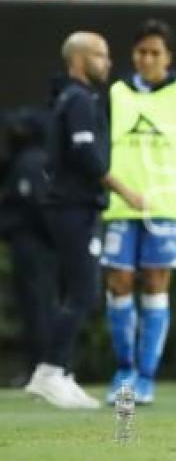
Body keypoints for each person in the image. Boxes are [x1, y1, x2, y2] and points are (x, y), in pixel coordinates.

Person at [100, 19, 176, 405]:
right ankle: (124, 369)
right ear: (133, 55)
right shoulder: (116, 92)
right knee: (118, 283)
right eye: (141, 52)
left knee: (155, 284)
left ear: (168, 57)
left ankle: (147, 377)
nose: (148, 59)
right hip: (120, 204)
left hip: (165, 206)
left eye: (155, 53)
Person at [24, 32, 143, 410]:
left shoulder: (79, 97)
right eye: (99, 55)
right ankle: (49, 371)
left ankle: (63, 372)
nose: (108, 62)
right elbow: (87, 156)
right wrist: (126, 192)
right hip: (73, 207)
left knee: (74, 292)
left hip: (75, 206)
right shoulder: (77, 99)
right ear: (77, 60)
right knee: (85, 291)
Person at [0, 107, 54, 384]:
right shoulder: (23, 160)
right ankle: (39, 367)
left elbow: (39, 208)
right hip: (30, 245)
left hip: (34, 246)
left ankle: (43, 369)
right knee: (33, 306)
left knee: (38, 307)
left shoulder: (32, 162)